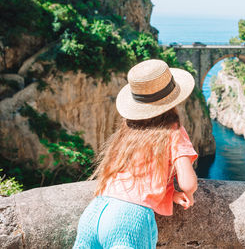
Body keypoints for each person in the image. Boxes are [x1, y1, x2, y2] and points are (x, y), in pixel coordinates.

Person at [73, 59, 198, 249]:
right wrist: (188, 193)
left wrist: (170, 195)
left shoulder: (128, 132)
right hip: (128, 220)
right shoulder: (173, 131)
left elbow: (135, 179)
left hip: (95, 213)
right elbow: (188, 182)